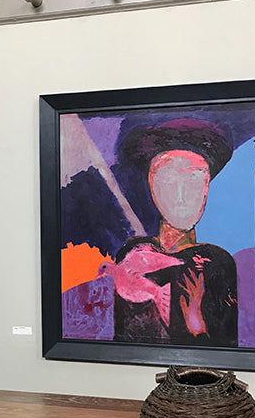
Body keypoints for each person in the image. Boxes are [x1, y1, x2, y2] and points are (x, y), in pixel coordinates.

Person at [102, 118, 238, 346]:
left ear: (207, 186)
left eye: (194, 177)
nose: (181, 195)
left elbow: (226, 345)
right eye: (167, 178)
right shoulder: (131, 253)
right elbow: (125, 339)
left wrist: (197, 324)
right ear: (151, 184)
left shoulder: (217, 263)